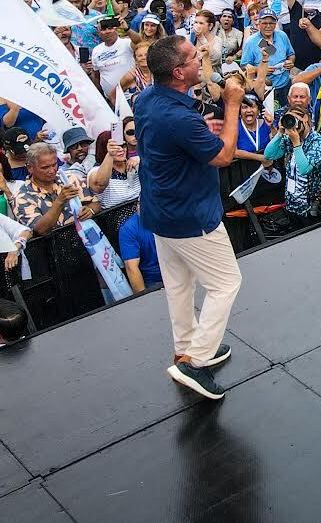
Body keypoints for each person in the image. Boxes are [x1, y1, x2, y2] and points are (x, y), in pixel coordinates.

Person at [133, 35, 245, 401]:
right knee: (226, 284)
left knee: (179, 285)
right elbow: (223, 157)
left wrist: (200, 130)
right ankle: (195, 363)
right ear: (179, 73)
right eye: (195, 57)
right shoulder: (179, 118)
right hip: (190, 215)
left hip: (160, 210)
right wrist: (232, 104)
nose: (202, 58)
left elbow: (178, 140)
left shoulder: (147, 98)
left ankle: (187, 347)